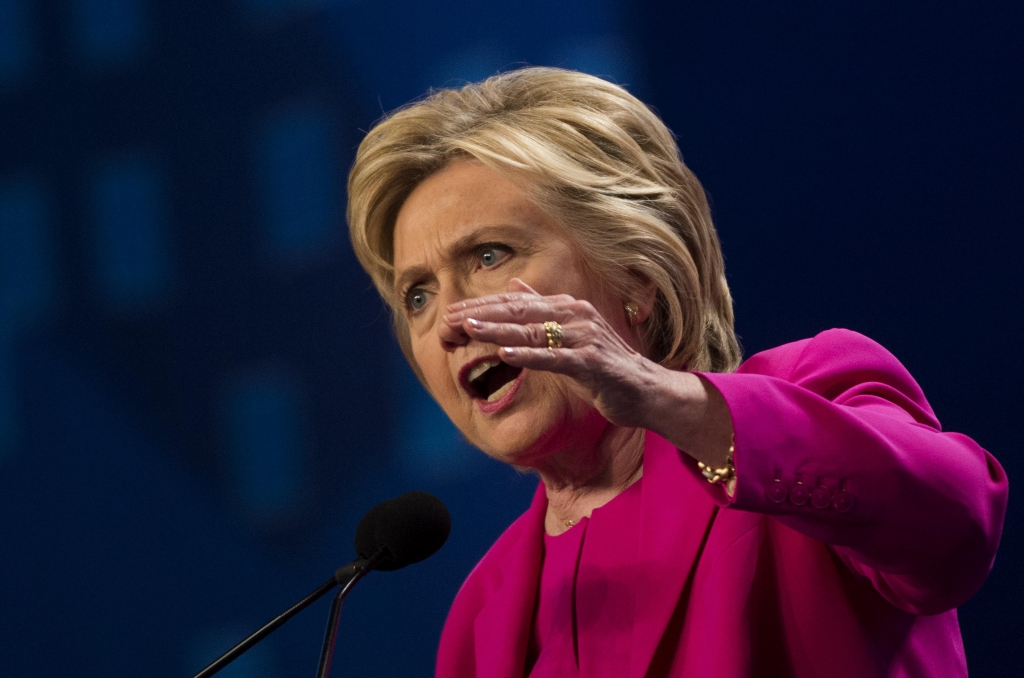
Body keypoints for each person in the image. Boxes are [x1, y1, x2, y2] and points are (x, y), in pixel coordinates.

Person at [345, 68, 1008, 677]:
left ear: (636, 278)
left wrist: (665, 399)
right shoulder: (479, 620)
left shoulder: (807, 387)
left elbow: (957, 522)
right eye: (418, 295)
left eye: (490, 254)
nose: (451, 320)